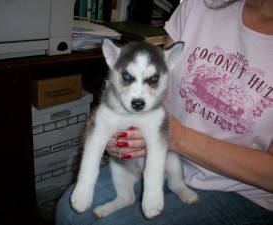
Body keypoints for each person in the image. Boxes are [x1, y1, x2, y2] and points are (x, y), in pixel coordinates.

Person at [56, 0, 273, 224]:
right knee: (68, 213)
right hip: (166, 157)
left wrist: (177, 137)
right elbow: (157, 86)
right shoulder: (200, 4)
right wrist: (119, 134)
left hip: (243, 190)